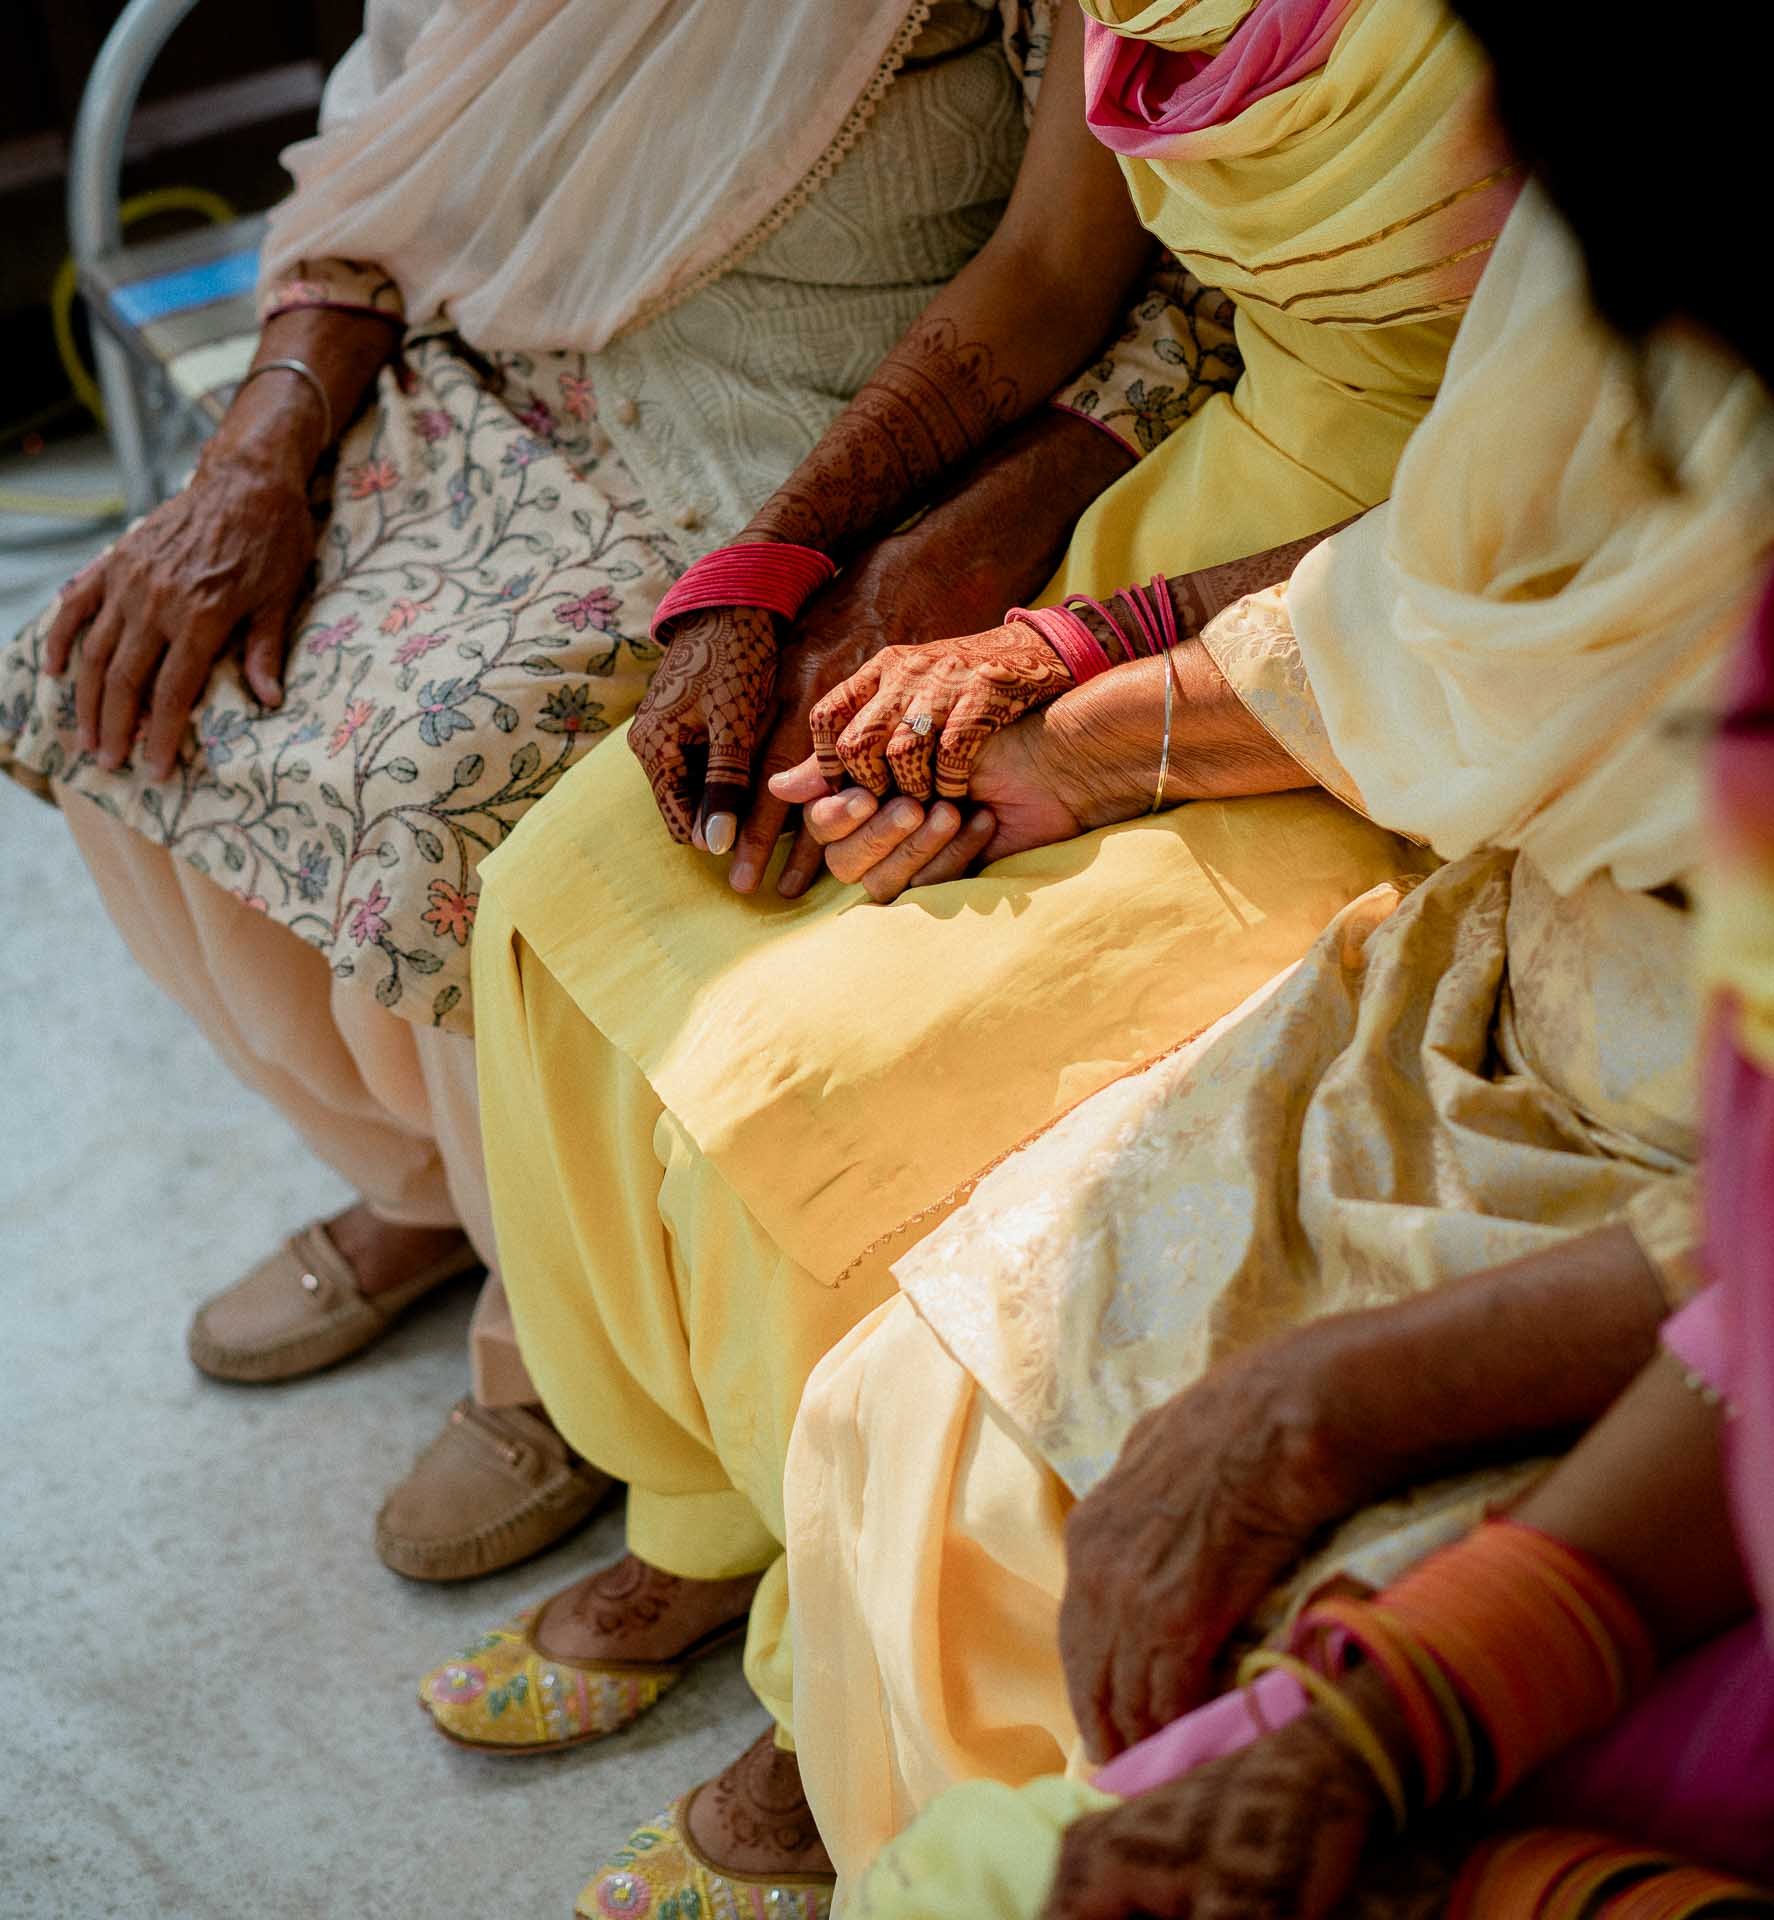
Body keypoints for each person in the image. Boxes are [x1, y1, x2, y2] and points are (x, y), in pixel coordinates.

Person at [429, 1, 1515, 1910]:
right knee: (572, 878)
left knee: (818, 1075)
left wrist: (1068, 674)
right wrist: (762, 575)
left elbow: (1529, 517)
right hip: (1208, 513)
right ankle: (709, 1515)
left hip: (1420, 619)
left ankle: (823, 1686)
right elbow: (1038, 277)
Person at [0, 0, 1196, 1579]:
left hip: (783, 461)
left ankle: (560, 1348)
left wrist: (840, 563)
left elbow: (1109, 279)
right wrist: (257, 448)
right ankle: (425, 1183)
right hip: (497, 359)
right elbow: (390, 149)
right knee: (107, 687)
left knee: (438, 822)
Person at [822, 33, 1774, 1911]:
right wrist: (1049, 713)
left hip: (1663, 1184)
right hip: (1549, 958)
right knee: (909, 1401)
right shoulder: (1642, 377)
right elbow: (1460, 584)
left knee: (1055, 1832)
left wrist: (1387, 1672)